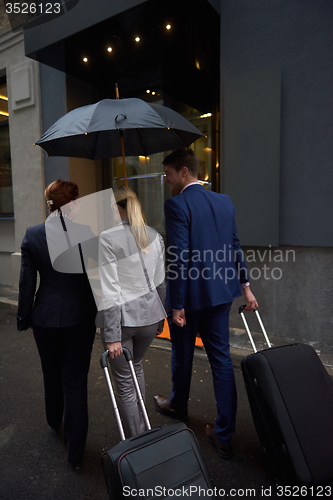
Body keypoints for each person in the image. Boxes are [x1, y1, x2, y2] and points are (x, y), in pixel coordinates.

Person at [154, 148, 258, 459]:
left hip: (190, 298)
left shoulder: (176, 205)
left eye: (169, 174)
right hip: (220, 295)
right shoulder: (223, 201)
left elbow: (180, 257)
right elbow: (235, 245)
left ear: (184, 172)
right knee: (222, 361)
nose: (166, 180)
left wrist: (177, 304)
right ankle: (224, 434)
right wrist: (246, 287)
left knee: (182, 354)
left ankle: (178, 404)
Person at [17, 179, 97, 470]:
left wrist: (24, 317)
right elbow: (98, 274)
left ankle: (54, 420)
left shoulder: (33, 234)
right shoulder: (86, 232)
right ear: (72, 204)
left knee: (51, 373)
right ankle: (75, 453)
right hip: (81, 317)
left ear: (49, 203)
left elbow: (27, 283)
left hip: (46, 318)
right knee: (75, 381)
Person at [97, 186, 166, 437]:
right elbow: (160, 283)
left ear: (118, 208)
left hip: (123, 322)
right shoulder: (155, 236)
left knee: (125, 384)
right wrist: (161, 317)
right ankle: (144, 430)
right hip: (150, 317)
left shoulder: (108, 238)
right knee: (135, 367)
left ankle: (137, 441)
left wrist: (112, 334)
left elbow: (111, 289)